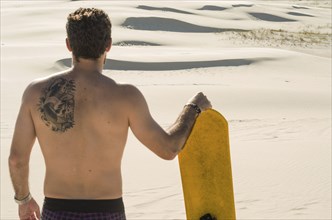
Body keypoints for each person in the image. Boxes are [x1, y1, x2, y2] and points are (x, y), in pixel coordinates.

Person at [8, 7, 212, 220]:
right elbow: (168, 149)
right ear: (108, 45)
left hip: (57, 211)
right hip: (107, 212)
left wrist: (24, 200)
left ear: (69, 45)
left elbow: (16, 159)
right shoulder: (126, 97)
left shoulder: (35, 93)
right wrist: (193, 108)